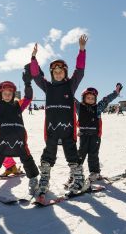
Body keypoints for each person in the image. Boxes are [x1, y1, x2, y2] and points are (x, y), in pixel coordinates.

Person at [30, 35, 88, 196]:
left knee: (72, 155)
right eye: (54, 72)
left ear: (65, 72)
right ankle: (44, 181)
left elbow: (80, 71)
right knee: (48, 155)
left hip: (68, 130)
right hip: (52, 130)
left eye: (60, 71)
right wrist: (33, 58)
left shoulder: (70, 85)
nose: (57, 74)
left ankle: (79, 180)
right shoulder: (47, 87)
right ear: (51, 73)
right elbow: (35, 76)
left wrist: (81, 50)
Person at [0, 71, 39, 196]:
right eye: (5, 93)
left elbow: (28, 98)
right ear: (0, 94)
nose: (7, 95)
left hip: (20, 141)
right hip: (3, 142)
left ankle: (33, 180)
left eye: (10, 93)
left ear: (13, 94)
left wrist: (27, 83)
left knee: (27, 160)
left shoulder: (18, 105)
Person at [72, 83, 122, 184]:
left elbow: (106, 100)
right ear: (83, 98)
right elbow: (71, 99)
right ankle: (76, 172)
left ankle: (95, 172)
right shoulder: (79, 107)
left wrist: (116, 93)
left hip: (95, 136)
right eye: (88, 97)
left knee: (93, 154)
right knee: (81, 153)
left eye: (92, 98)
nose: (90, 99)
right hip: (83, 135)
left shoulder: (98, 108)